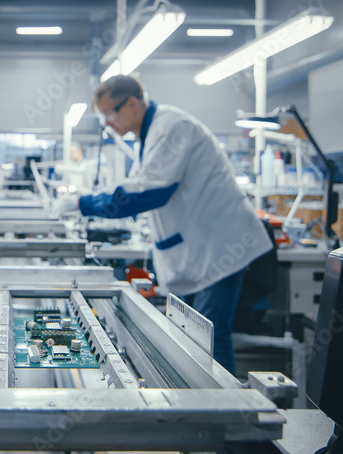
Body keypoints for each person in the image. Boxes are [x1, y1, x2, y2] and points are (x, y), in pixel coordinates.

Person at [52, 75, 272, 374]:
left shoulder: (171, 127)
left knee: (208, 341)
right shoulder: (153, 133)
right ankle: (199, 409)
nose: (106, 123)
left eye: (109, 113)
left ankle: (225, 415)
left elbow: (149, 192)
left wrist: (85, 204)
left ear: (132, 103)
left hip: (220, 249)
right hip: (199, 249)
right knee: (188, 338)